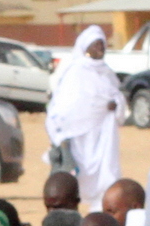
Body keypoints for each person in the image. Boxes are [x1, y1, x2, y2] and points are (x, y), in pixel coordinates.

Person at [45, 25, 127, 205]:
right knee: (77, 178)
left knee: (106, 176)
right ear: (86, 48)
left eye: (102, 44)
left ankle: (100, 209)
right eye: (96, 44)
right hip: (80, 137)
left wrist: (115, 105)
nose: (101, 48)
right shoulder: (76, 72)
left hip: (103, 136)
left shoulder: (107, 73)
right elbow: (66, 105)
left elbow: (117, 97)